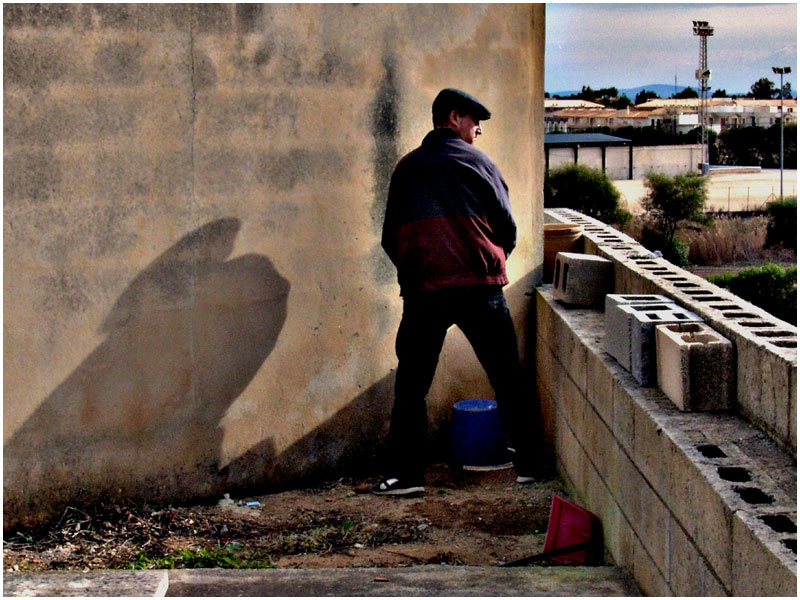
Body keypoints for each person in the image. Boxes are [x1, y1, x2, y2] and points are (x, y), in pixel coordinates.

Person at [374, 88, 543, 496]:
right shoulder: (481, 163)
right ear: (454, 118)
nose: (479, 129)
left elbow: (388, 237)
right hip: (479, 289)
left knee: (412, 385)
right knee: (507, 377)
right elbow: (507, 229)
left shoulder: (406, 169)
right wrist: (486, 261)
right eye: (474, 120)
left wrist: (418, 270)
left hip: (424, 292)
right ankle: (531, 467)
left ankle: (406, 477)